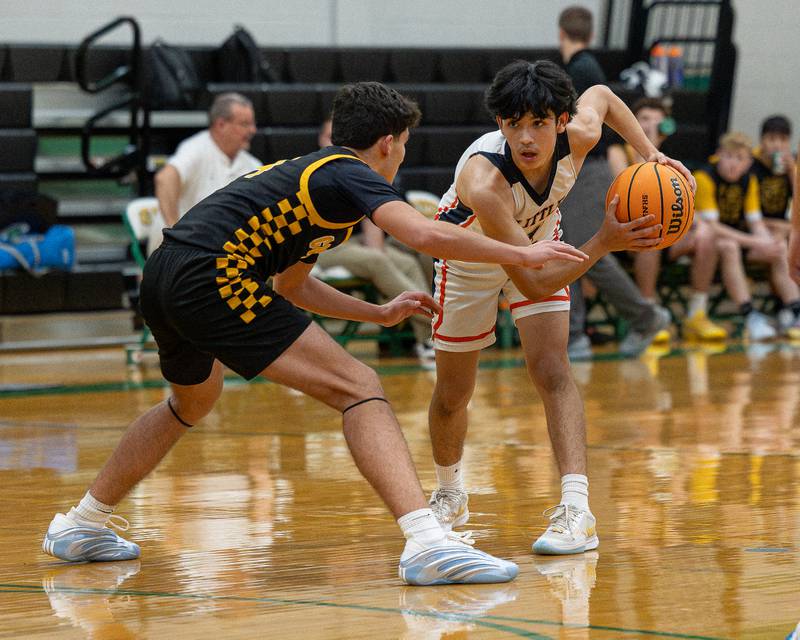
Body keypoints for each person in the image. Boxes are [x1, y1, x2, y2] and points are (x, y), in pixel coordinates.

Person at [42, 81, 592, 586]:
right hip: (211, 274)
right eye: (403, 146)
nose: (400, 157)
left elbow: (292, 286)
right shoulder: (347, 172)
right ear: (387, 143)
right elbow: (423, 233)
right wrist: (523, 250)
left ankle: (81, 523)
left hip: (165, 273)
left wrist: (377, 314)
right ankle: (427, 543)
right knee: (360, 387)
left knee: (192, 399)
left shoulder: (318, 181)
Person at [426, 59, 693, 555]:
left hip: (540, 241)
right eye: (514, 124)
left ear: (562, 122)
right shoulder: (486, 183)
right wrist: (603, 241)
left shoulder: (583, 131)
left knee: (552, 370)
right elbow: (530, 281)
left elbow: (605, 95)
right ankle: (449, 493)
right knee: (452, 395)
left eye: (540, 123)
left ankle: (577, 509)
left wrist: (653, 154)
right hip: (471, 258)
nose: (527, 137)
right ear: (501, 125)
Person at [557, 5, 671, 359]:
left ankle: (636, 317)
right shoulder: (583, 66)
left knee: (581, 252)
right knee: (577, 250)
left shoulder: (581, 69)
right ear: (590, 34)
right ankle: (582, 332)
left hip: (589, 170)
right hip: (582, 169)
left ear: (561, 33)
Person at [314, 117, 436, 362]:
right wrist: (378, 254)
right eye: (328, 136)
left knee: (406, 262)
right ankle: (439, 321)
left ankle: (428, 339)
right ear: (320, 140)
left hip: (354, 242)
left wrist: (379, 250)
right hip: (321, 246)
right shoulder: (319, 169)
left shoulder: (355, 167)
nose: (332, 140)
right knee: (377, 261)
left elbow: (372, 219)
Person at [608, 98, 727, 341]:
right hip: (626, 236)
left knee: (707, 235)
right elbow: (624, 190)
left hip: (666, 236)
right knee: (649, 233)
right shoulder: (618, 151)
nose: (651, 124)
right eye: (644, 119)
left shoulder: (668, 160)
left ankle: (697, 313)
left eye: (656, 120)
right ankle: (650, 317)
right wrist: (646, 146)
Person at [693, 131, 800, 339]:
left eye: (740, 158)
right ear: (719, 155)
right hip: (707, 244)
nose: (733, 163)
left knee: (778, 249)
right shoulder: (704, 178)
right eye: (729, 156)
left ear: (748, 162)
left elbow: (755, 222)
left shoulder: (748, 181)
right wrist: (755, 241)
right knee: (729, 246)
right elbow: (713, 227)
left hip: (737, 239)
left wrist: (768, 242)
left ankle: (795, 311)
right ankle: (750, 316)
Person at [148, 92, 261, 254]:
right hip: (181, 254)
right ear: (221, 125)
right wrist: (175, 235)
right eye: (245, 124)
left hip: (223, 253)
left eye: (253, 123)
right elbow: (164, 179)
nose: (253, 130)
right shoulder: (196, 148)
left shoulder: (253, 164)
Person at [752, 116, 795, 241]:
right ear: (761, 140)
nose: (777, 145)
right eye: (772, 139)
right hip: (753, 223)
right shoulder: (750, 164)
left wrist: (792, 171)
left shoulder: (792, 164)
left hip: (781, 223)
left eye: (783, 140)